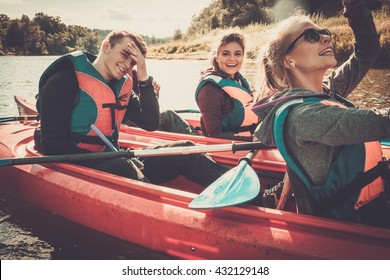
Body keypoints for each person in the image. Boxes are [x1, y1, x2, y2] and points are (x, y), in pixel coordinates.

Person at [252, 0, 390, 228]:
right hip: (357, 223)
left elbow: (367, 52)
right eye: (311, 36)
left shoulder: (326, 91)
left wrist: (354, 9)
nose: (327, 37)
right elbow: (382, 122)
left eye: (323, 32)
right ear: (289, 60)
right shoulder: (304, 116)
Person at [34, 30, 228, 187]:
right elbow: (51, 144)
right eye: (125, 55)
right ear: (106, 46)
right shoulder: (63, 81)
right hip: (78, 163)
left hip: (114, 156)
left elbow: (151, 123)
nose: (127, 65)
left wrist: (143, 78)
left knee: (186, 150)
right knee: (124, 167)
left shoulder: (123, 86)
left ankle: (243, 192)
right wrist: (109, 158)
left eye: (133, 62)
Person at [195, 31, 259, 141]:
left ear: (243, 56)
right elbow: (214, 135)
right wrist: (253, 140)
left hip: (251, 140)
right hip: (227, 147)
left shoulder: (239, 81)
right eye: (225, 54)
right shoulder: (209, 90)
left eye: (237, 54)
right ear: (216, 57)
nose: (232, 59)